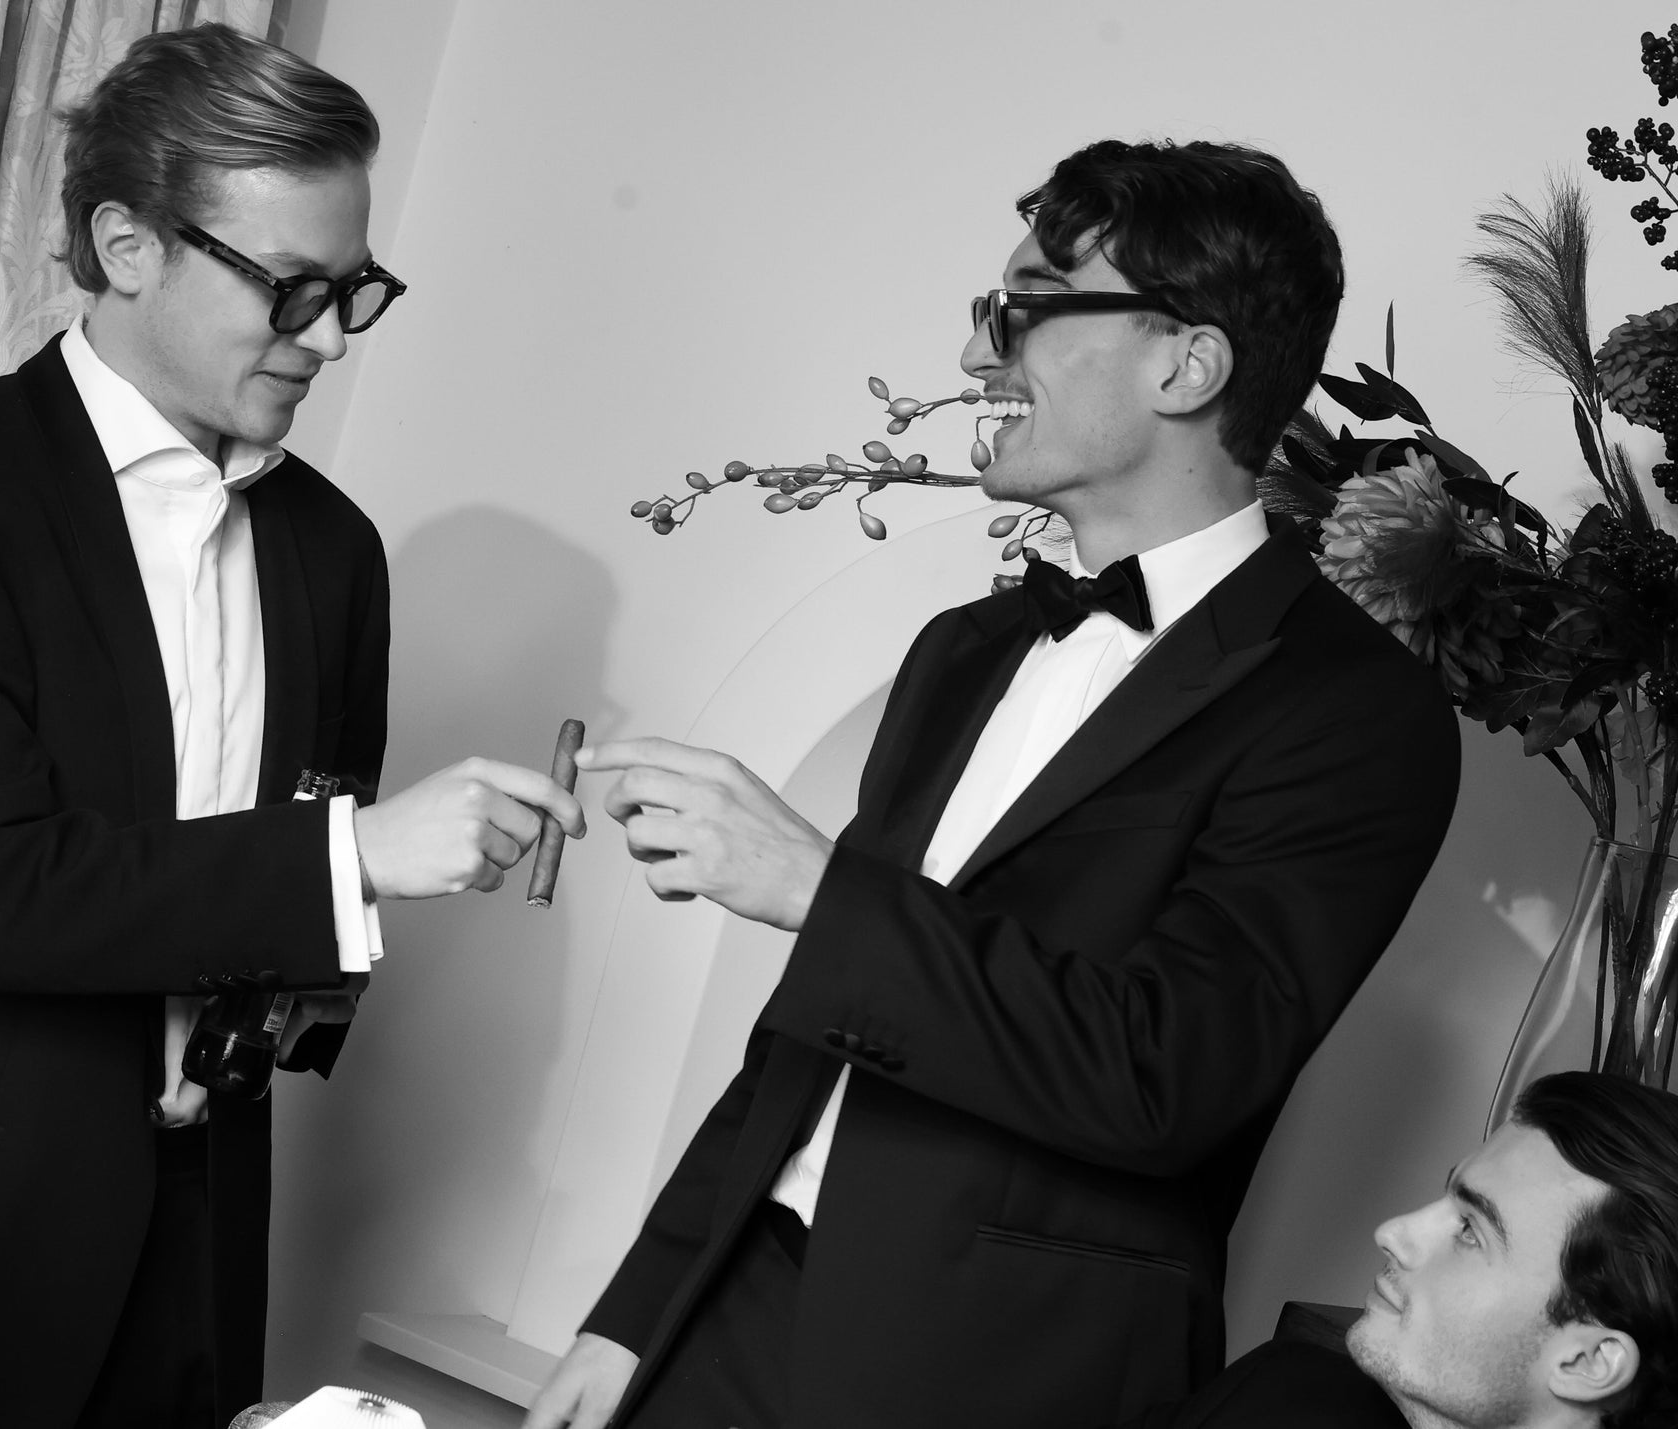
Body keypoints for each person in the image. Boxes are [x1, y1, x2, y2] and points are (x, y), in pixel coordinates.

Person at [0, 24, 581, 1429]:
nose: (330, 338)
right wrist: (350, 859)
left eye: (354, 290)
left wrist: (308, 969)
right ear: (126, 245)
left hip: (195, 1231)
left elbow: (289, 891)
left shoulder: (335, 552)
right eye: (291, 289)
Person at [526, 138, 1462, 1429]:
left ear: (1185, 365)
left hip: (997, 1378)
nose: (978, 354)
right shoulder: (962, 649)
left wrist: (818, 887)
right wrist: (637, 1310)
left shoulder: (1357, 710)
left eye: (1025, 307)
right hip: (729, 1320)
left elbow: (1166, 1076)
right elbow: (809, 1029)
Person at [1111, 1071, 1678, 1429]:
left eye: (1470, 1230)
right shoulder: (1280, 1394)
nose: (1392, 1231)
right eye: (1446, 1199)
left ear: (1588, 1363)